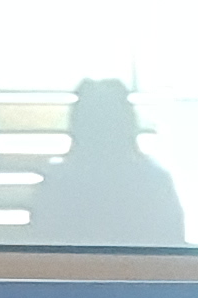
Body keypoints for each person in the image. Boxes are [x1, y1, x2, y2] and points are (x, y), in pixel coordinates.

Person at [23, 76, 186, 248]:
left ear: (77, 126)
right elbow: (173, 246)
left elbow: (43, 243)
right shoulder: (154, 182)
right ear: (128, 124)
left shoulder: (58, 183)